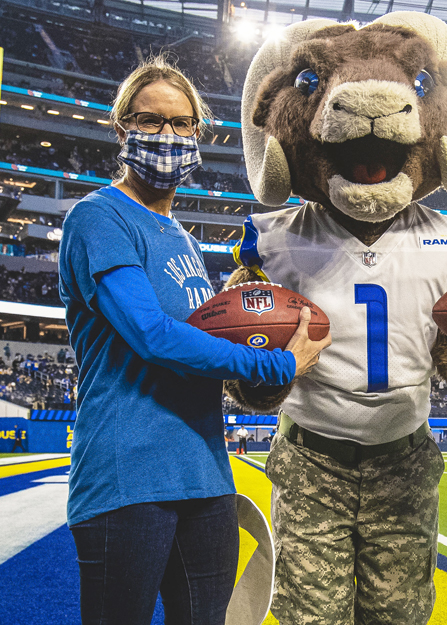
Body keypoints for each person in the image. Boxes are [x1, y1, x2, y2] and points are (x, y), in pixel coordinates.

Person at [57, 55, 330, 625]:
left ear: (198, 133)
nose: (167, 135)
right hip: (126, 476)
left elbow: (205, 349)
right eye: (151, 120)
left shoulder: (181, 236)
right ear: (122, 127)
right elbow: (153, 337)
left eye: (182, 123)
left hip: (205, 475)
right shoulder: (99, 217)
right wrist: (275, 364)